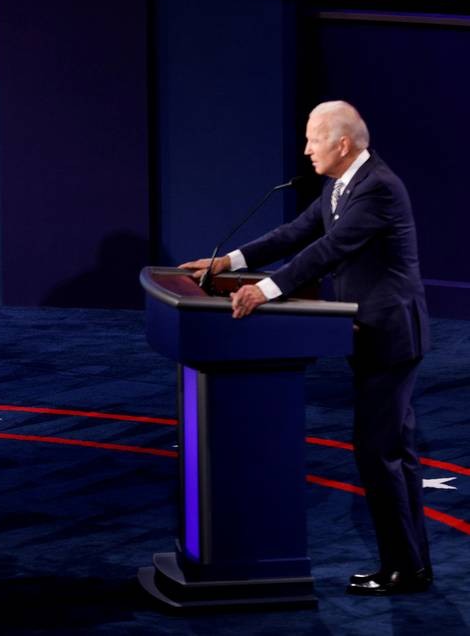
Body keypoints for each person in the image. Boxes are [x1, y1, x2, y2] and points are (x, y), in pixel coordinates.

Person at [179, 100, 431, 596]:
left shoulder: (377, 188)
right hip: (371, 333)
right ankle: (411, 564)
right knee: (393, 453)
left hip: (390, 334)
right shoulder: (342, 183)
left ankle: (404, 568)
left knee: (378, 453)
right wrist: (227, 262)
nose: (305, 149)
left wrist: (265, 290)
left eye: (314, 139)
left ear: (341, 144)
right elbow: (297, 233)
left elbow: (328, 251)